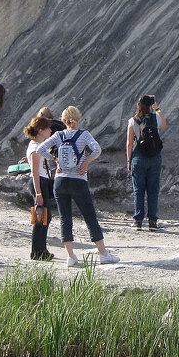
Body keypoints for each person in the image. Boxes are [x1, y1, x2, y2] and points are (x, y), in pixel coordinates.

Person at [33, 106, 119, 268]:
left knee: (65, 218)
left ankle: (71, 256)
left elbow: (40, 148)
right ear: (78, 119)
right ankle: (103, 253)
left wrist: (55, 160)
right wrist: (86, 162)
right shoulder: (84, 135)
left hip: (60, 181)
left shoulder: (58, 135)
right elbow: (97, 149)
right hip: (78, 180)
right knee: (89, 216)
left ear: (63, 121)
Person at [125, 94, 167, 231]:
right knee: (153, 191)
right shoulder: (155, 118)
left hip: (138, 157)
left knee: (139, 191)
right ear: (151, 106)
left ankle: (138, 221)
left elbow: (129, 143)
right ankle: (153, 222)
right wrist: (158, 109)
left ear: (139, 105)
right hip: (155, 157)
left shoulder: (133, 120)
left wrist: (129, 160)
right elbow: (164, 125)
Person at [24, 116, 55, 261]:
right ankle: (37, 251)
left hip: (43, 181)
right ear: (41, 130)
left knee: (46, 217)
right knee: (41, 217)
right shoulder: (35, 148)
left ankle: (42, 249)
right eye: (48, 128)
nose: (50, 131)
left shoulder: (39, 146)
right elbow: (35, 172)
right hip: (39, 183)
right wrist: (38, 193)